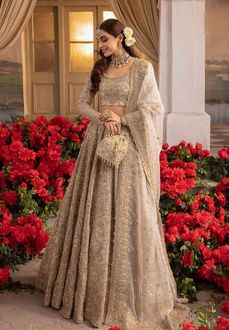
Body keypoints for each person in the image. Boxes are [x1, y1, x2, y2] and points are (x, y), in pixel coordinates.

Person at [36, 18, 191, 330]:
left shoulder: (142, 69)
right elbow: (81, 104)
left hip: (129, 146)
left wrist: (121, 119)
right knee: (93, 212)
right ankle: (87, 291)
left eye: (104, 39)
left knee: (132, 214)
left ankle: (126, 291)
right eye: (98, 41)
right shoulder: (100, 69)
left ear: (121, 38)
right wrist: (102, 116)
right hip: (98, 144)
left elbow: (152, 109)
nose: (100, 46)